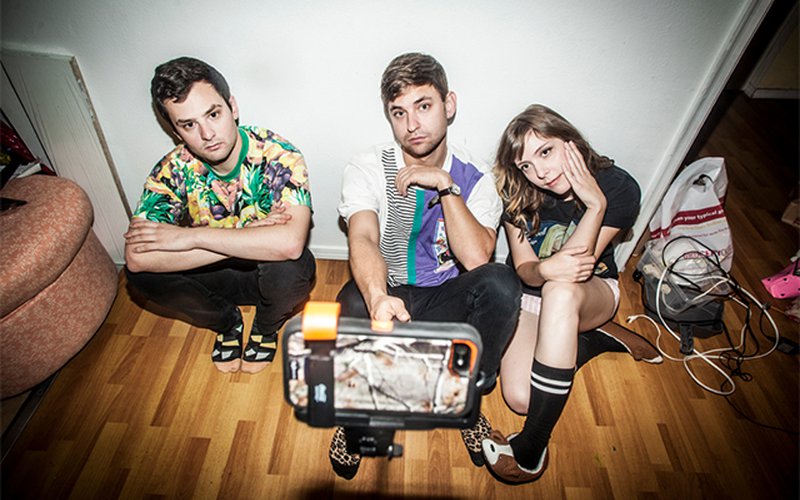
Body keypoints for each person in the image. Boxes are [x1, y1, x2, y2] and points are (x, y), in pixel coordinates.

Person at [329, 52, 522, 479]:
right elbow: (362, 237)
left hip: (446, 297)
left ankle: (464, 398)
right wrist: (378, 298)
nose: (412, 124)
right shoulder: (367, 166)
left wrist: (446, 187)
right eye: (399, 112)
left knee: (501, 282)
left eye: (424, 106)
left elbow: (477, 258)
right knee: (349, 304)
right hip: (392, 290)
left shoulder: (476, 176)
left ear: (448, 105)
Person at [481, 104, 647, 483]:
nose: (540, 173)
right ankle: (591, 340)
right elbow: (524, 268)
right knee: (520, 399)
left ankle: (532, 447)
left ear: (569, 140)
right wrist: (542, 269)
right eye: (526, 165)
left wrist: (595, 205)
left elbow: (576, 269)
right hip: (530, 298)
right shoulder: (517, 192)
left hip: (590, 293)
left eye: (546, 152)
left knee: (560, 290)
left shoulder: (617, 186)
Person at [124, 57, 315, 375]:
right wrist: (251, 235)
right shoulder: (171, 169)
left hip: (264, 275)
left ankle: (265, 327)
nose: (207, 134)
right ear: (175, 131)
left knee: (295, 268)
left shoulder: (279, 154)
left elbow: (290, 244)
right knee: (140, 276)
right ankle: (227, 322)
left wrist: (190, 237)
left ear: (232, 107)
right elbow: (137, 258)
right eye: (188, 125)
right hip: (212, 276)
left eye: (213, 114)